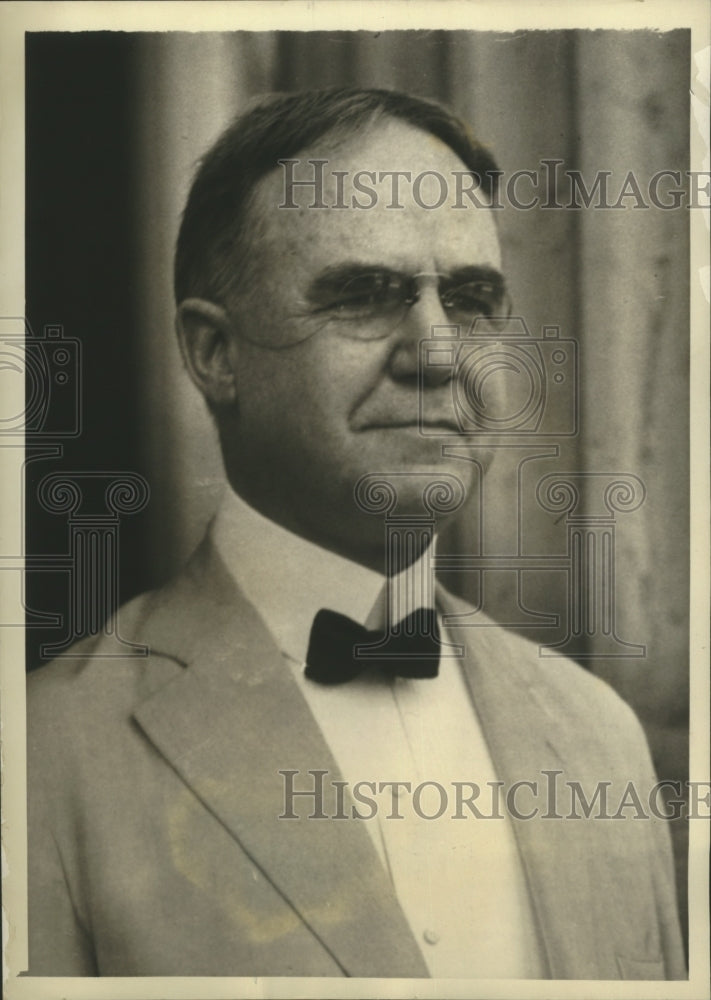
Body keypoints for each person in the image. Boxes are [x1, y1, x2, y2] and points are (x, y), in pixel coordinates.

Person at [27, 88, 685, 980]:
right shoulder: (41, 757)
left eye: (470, 298)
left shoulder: (598, 737)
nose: (438, 352)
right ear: (215, 354)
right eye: (366, 296)